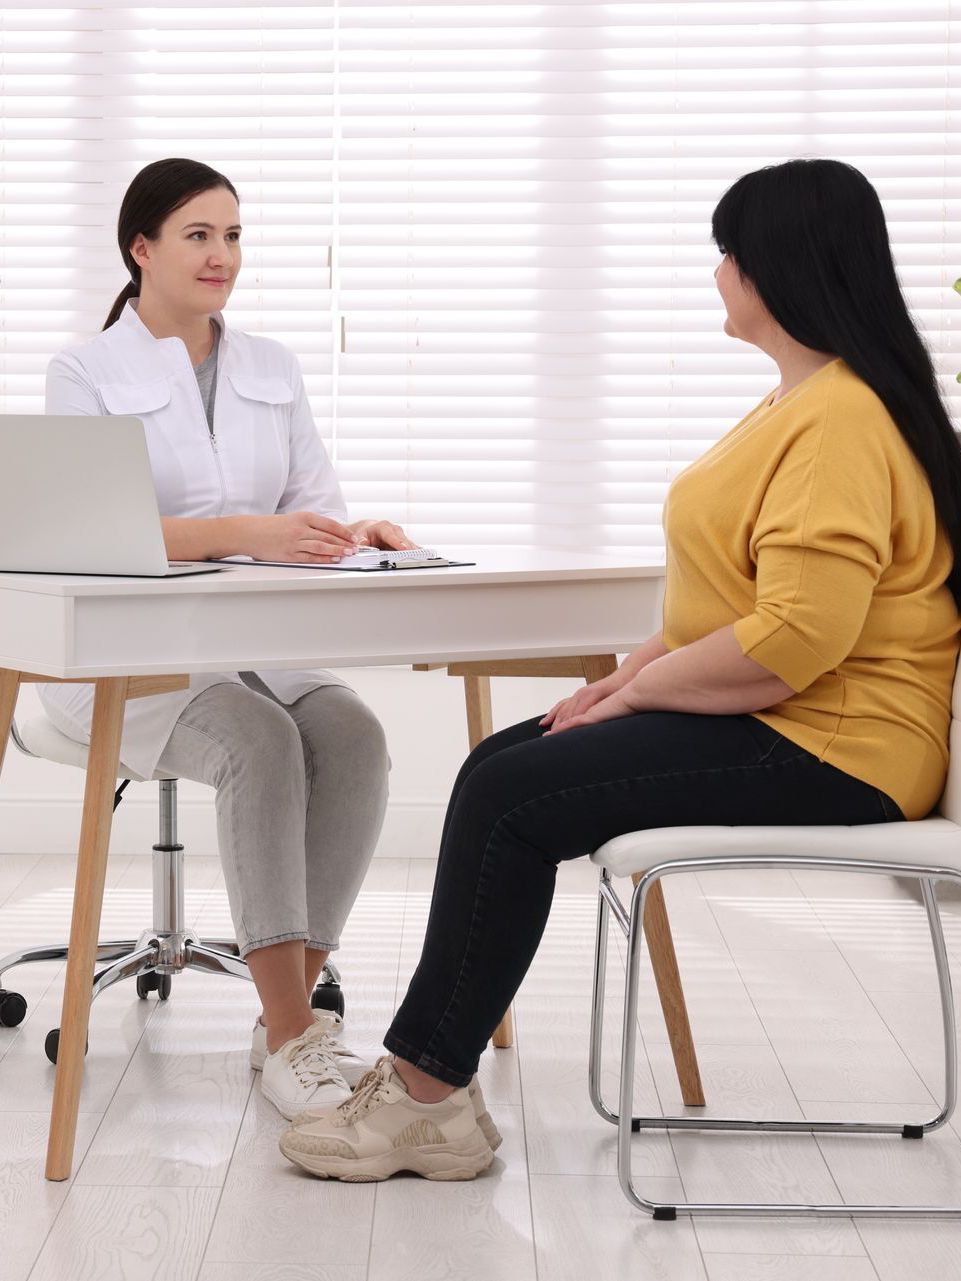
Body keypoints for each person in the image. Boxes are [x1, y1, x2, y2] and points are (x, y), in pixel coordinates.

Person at [278, 158, 961, 1182]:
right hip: (797, 724)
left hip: (839, 745)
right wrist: (626, 674)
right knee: (500, 768)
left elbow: (793, 642)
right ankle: (431, 1088)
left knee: (511, 794)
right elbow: (739, 597)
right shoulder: (805, 403)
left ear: (775, 268)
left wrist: (639, 689)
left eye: (727, 253)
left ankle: (425, 1098)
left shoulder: (843, 422)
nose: (717, 273)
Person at [42, 157, 411, 1120]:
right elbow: (93, 532)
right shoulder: (85, 371)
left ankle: (286, 1016)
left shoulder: (270, 366)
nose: (223, 256)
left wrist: (351, 532)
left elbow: (309, 506)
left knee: (356, 736)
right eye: (200, 235)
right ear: (143, 249)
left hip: (260, 642)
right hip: (129, 664)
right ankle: (294, 1030)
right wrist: (249, 532)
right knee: (261, 739)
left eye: (234, 235)